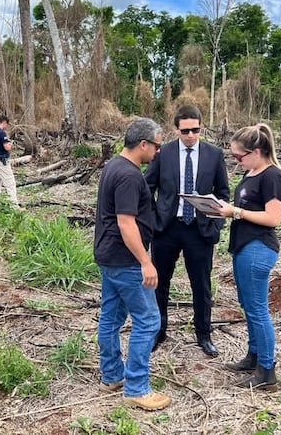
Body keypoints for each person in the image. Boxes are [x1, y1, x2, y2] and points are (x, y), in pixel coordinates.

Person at [94, 117, 171, 411]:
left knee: (111, 317)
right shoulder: (129, 175)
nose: (158, 151)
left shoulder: (114, 165)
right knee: (149, 320)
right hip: (125, 259)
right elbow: (126, 224)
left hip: (108, 256)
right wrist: (145, 262)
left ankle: (112, 375)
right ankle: (137, 387)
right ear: (143, 144)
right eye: (157, 145)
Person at [144, 104, 230, 357]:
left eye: (195, 130)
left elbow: (223, 193)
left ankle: (204, 335)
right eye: (185, 131)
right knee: (159, 283)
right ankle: (158, 332)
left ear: (201, 128)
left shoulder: (214, 154)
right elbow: (147, 186)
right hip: (167, 228)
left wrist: (216, 222)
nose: (191, 135)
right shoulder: (164, 153)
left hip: (200, 230)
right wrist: (152, 218)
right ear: (176, 130)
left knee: (201, 285)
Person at [211, 123, 281, 391]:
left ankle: (267, 370)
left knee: (257, 309)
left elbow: (273, 218)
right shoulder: (253, 172)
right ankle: (254, 356)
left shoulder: (272, 176)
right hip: (243, 246)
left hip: (258, 247)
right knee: (248, 304)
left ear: (256, 151)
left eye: (238, 157)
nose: (235, 161)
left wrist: (236, 213)